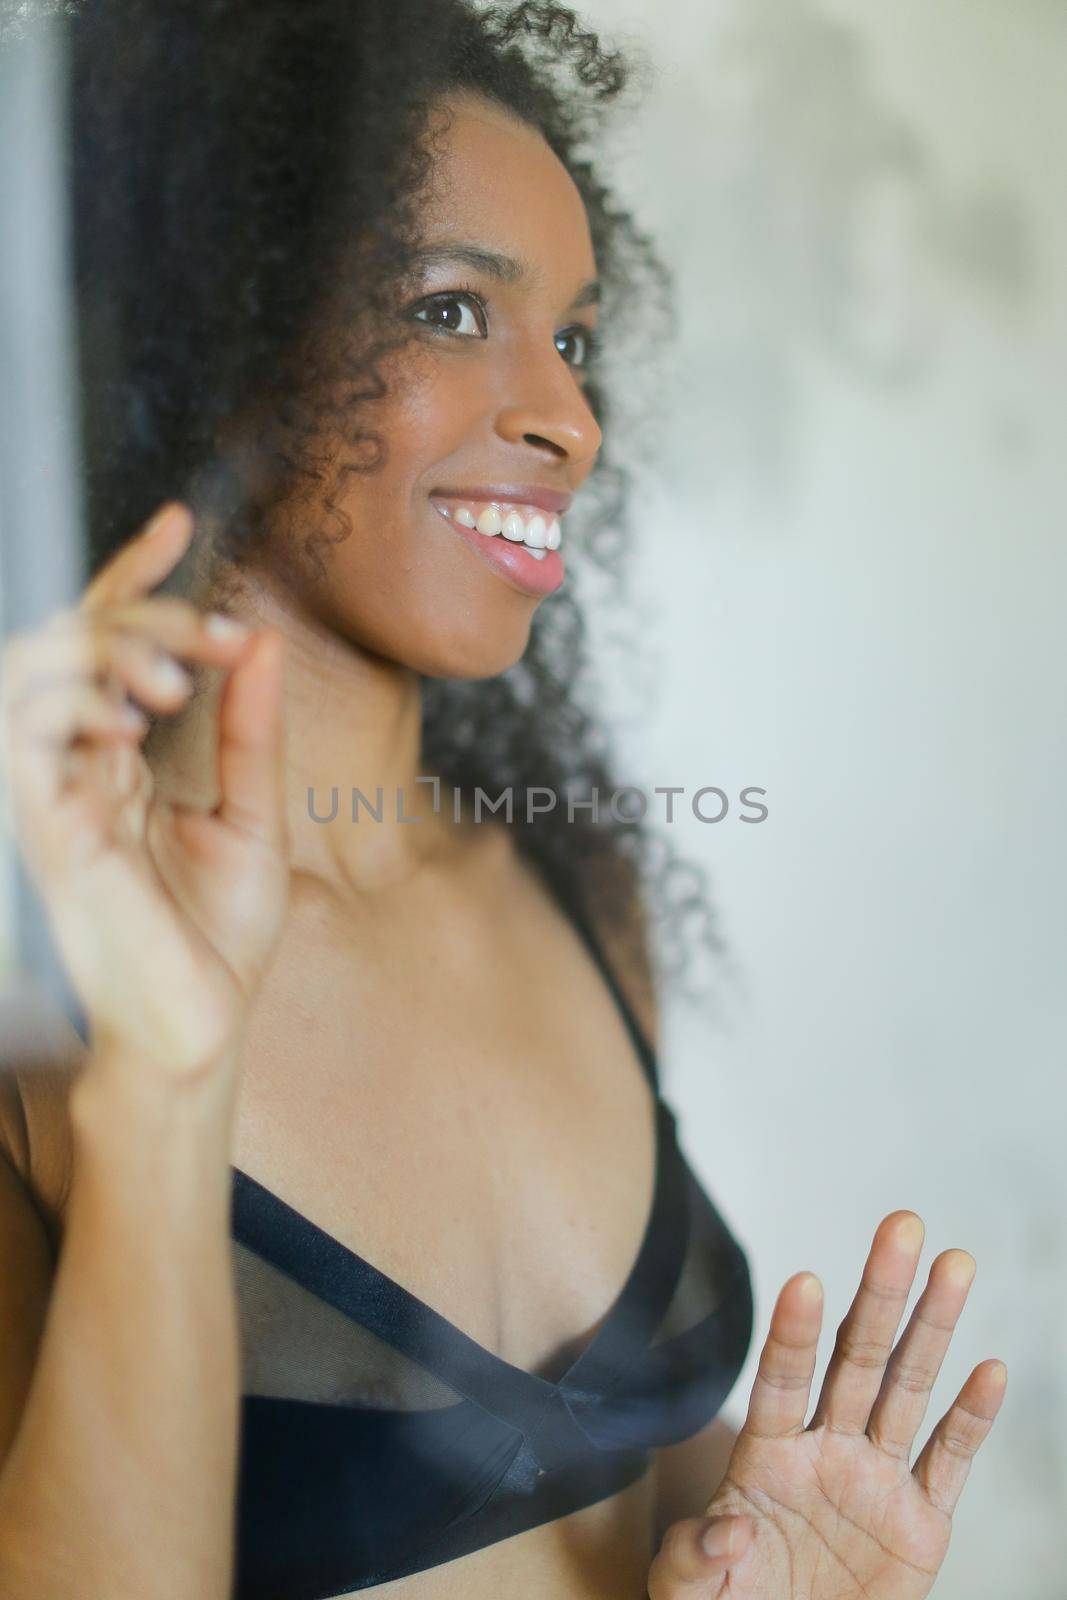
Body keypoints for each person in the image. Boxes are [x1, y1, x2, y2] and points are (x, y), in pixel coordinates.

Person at [0, 3, 1006, 1597]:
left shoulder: (577, 888)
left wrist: (746, 1538)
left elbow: (560, 1487)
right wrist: (166, 1091)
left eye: (579, 339)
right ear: (220, 332)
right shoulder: (38, 990)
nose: (571, 421)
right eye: (456, 310)